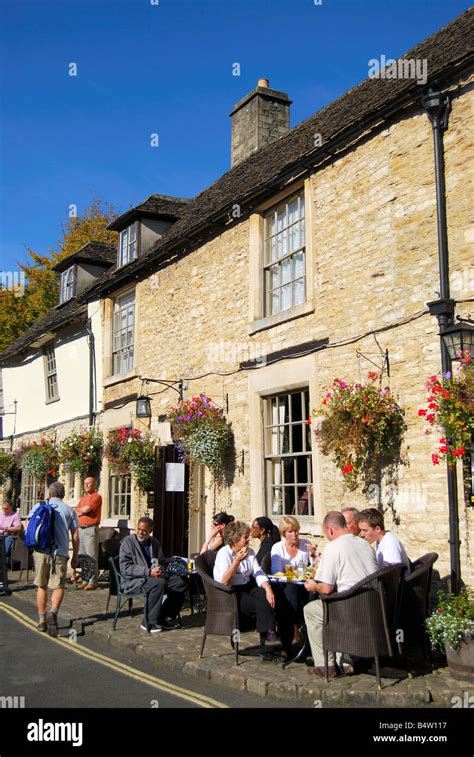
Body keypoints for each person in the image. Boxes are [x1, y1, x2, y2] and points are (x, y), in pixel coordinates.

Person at [303, 511, 379, 677]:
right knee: (335, 602)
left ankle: (325, 665)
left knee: (311, 610)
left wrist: (313, 586)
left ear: (330, 530)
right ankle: (344, 663)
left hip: (351, 610)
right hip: (374, 607)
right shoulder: (364, 543)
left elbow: (327, 588)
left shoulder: (333, 546)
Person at [213, 520, 277, 661]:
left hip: (247, 587)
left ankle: (267, 640)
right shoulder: (224, 554)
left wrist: (268, 588)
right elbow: (224, 581)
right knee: (262, 606)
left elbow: (258, 572)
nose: (248, 540)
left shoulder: (250, 552)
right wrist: (236, 561)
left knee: (265, 596)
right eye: (245, 538)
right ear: (235, 540)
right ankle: (267, 642)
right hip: (230, 592)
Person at [119, 517, 189, 634]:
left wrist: (161, 568)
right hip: (134, 581)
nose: (141, 533)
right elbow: (125, 568)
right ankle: (148, 622)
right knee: (159, 584)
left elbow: (160, 560)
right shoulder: (128, 542)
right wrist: (148, 572)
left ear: (150, 531)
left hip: (153, 577)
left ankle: (163, 616)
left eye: (144, 531)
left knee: (182, 581)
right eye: (139, 529)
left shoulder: (154, 542)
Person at [28, 481, 79, 636]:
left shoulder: (39, 507)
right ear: (63, 494)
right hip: (60, 552)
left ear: (49, 494)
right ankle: (54, 611)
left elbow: (27, 525)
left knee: (41, 586)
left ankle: (42, 621)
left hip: (41, 551)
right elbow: (75, 535)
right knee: (58, 586)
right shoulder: (69, 510)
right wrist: (75, 556)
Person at [270, 516, 318, 652]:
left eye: (296, 531)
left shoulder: (305, 544)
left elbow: (312, 568)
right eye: (290, 531)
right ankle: (295, 629)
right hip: (284, 584)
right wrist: (293, 573)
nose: (294, 534)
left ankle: (310, 632)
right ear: (284, 533)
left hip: (302, 583)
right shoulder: (278, 548)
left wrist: (313, 556)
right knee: (290, 590)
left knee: (311, 591)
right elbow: (276, 571)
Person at [358, 508, 411, 573]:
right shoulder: (380, 540)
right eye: (361, 530)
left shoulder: (390, 542)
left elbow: (395, 573)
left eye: (365, 530)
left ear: (377, 529)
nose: (361, 534)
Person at [75, 476, 102, 590]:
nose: (86, 485)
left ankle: (92, 581)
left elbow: (86, 510)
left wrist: (81, 511)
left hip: (90, 529)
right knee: (83, 556)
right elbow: (75, 511)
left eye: (88, 483)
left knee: (91, 556)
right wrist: (80, 510)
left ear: (94, 484)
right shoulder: (83, 498)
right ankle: (85, 579)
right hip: (81, 528)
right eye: (85, 483)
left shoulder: (96, 497)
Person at [0, 501, 23, 565]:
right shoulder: (0, 515)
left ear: (11, 508)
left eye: (6, 508)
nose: (4, 510)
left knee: (8, 539)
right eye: (3, 508)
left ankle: (4, 565)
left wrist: (5, 528)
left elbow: (19, 528)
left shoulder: (15, 516)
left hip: (7, 536)